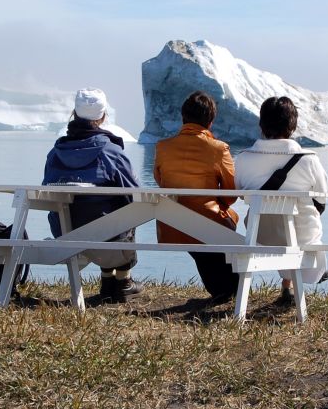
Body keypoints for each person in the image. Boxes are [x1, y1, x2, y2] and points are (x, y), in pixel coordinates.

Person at [43, 88, 143, 303]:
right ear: (103, 116)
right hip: (108, 239)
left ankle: (108, 280)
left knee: (88, 212)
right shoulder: (111, 152)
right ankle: (123, 280)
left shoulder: (55, 153)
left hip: (64, 232)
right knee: (129, 210)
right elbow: (134, 195)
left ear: (74, 114)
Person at [234, 96, 328, 306]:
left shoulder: (243, 158)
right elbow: (322, 197)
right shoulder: (309, 159)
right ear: (292, 125)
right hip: (302, 233)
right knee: (301, 225)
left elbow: (241, 194)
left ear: (262, 124)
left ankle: (288, 285)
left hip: (260, 234)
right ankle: (292, 284)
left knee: (277, 226)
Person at [153, 91, 240, 303]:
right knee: (227, 221)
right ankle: (226, 289)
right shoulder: (219, 149)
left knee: (199, 235)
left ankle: (223, 290)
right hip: (210, 223)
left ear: (183, 117)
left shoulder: (162, 147)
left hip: (172, 224)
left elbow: (161, 182)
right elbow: (230, 194)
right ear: (210, 122)